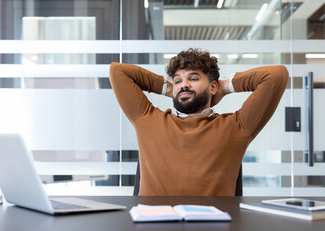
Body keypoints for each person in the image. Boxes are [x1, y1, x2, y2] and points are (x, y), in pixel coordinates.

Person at [109, 48, 289, 196]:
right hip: (153, 223)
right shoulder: (147, 119)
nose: (184, 84)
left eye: (193, 78)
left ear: (212, 87)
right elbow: (117, 71)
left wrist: (225, 87)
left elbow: (275, 76)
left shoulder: (236, 127)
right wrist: (169, 88)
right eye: (178, 80)